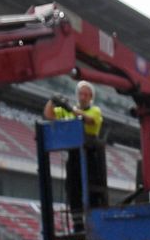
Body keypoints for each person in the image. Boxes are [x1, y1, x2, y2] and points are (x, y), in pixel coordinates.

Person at [43, 81, 107, 210]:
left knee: (92, 188)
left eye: (86, 95)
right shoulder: (68, 111)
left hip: (90, 154)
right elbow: (48, 115)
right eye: (81, 94)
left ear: (91, 97)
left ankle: (94, 212)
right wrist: (52, 100)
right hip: (74, 153)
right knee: (73, 187)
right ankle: (76, 217)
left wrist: (71, 109)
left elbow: (89, 120)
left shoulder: (95, 110)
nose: (83, 97)